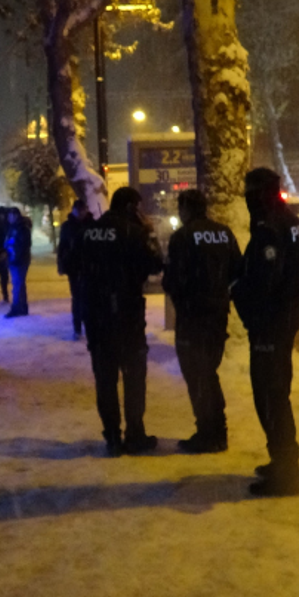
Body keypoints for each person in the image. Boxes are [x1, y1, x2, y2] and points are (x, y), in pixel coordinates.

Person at [232, 167, 299, 497]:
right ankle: (283, 460)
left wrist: (239, 292)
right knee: (276, 393)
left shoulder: (270, 227)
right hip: (282, 318)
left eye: (250, 193)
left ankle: (285, 469)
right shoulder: (289, 221)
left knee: (270, 395)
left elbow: (265, 280)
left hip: (270, 323)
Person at [74, 187, 165, 455]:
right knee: (134, 377)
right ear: (130, 207)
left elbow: (71, 263)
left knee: (105, 379)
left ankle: (112, 436)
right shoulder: (133, 232)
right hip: (127, 315)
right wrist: (149, 233)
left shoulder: (88, 231)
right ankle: (135, 434)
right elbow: (155, 264)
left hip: (96, 315)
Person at [163, 189, 242, 454]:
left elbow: (172, 280)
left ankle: (208, 433)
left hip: (192, 318)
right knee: (208, 373)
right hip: (217, 316)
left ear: (186, 209)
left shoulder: (182, 237)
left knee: (197, 375)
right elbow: (237, 271)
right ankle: (218, 431)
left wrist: (184, 299)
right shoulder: (224, 233)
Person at [57, 199, 92, 340]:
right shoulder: (67, 226)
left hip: (90, 266)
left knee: (89, 298)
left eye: (83, 210)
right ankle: (77, 328)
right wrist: (61, 265)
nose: (80, 213)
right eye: (78, 210)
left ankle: (90, 326)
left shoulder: (92, 225)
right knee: (77, 298)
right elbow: (62, 246)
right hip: (74, 267)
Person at [4, 207, 33, 318]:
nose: (8, 218)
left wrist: (15, 253)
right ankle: (22, 306)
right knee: (19, 284)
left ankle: (16, 307)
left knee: (17, 284)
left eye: (10, 216)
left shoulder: (21, 228)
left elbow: (24, 245)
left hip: (19, 260)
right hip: (14, 259)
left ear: (15, 216)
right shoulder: (14, 227)